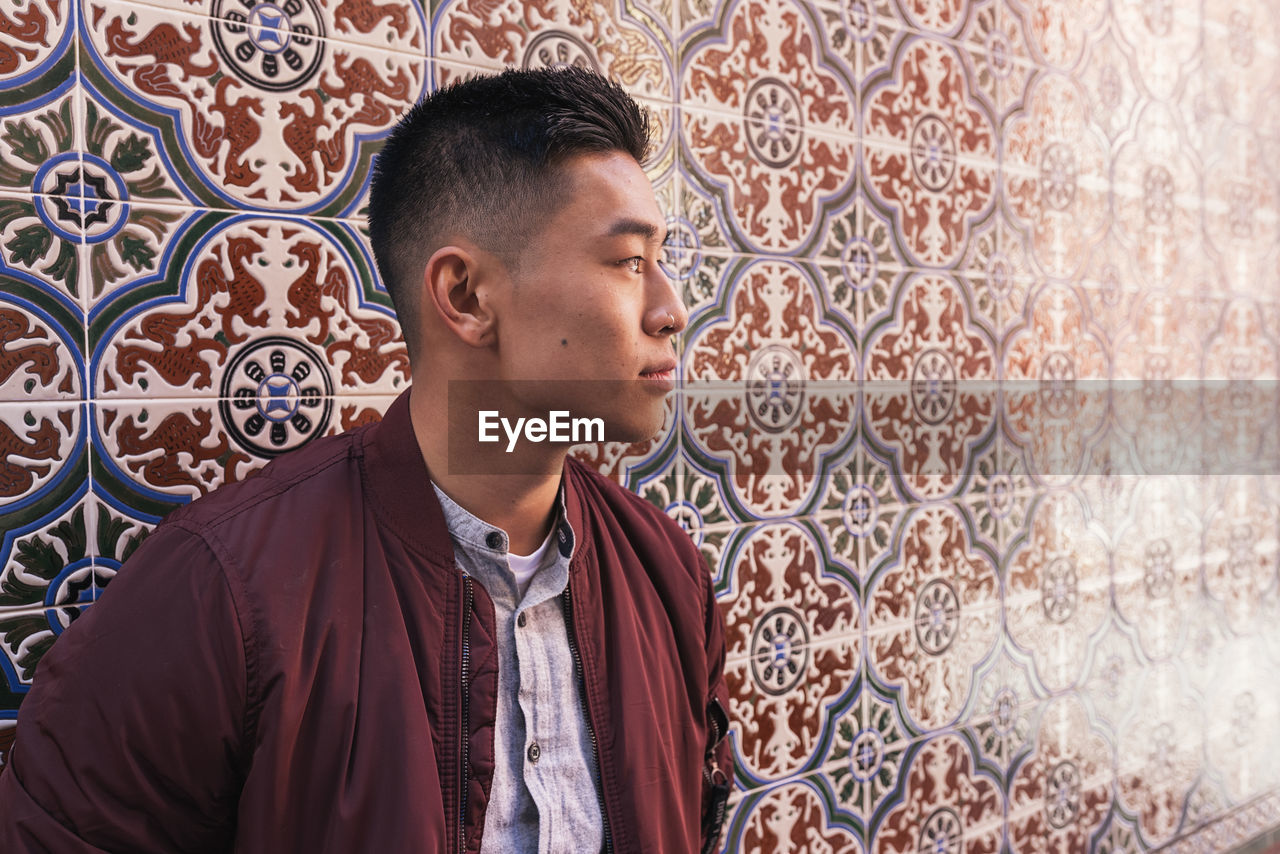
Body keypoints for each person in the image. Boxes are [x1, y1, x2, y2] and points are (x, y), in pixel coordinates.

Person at [0, 67, 732, 854]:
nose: (672, 310)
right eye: (627, 261)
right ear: (466, 296)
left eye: (662, 260)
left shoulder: (668, 573)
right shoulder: (222, 591)